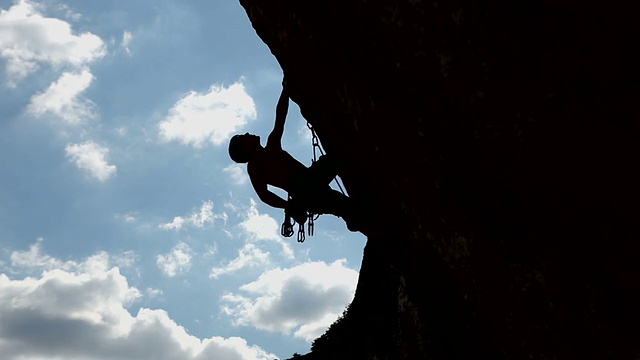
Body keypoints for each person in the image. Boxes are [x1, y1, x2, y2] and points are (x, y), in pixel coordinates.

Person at [228, 81, 359, 231]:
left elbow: (280, 117)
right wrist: (287, 205)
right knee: (337, 165)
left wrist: (285, 91)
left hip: (306, 190)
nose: (247, 134)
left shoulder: (270, 148)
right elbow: (263, 195)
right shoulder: (256, 165)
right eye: (243, 138)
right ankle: (356, 216)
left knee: (343, 202)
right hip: (305, 188)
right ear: (244, 150)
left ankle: (355, 217)